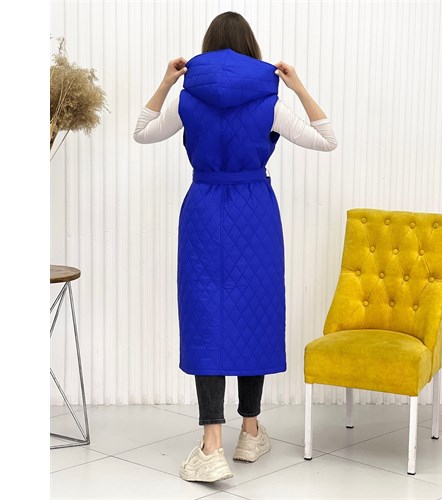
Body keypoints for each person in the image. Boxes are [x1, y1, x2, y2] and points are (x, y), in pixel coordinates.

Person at [133, 11, 337, 483]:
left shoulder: (188, 100)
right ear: (251, 49)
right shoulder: (269, 103)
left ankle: (211, 446)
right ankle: (250, 432)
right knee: (252, 317)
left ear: (207, 47)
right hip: (255, 213)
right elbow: (327, 140)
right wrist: (297, 86)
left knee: (206, 320)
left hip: (203, 211)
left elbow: (142, 131)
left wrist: (166, 82)